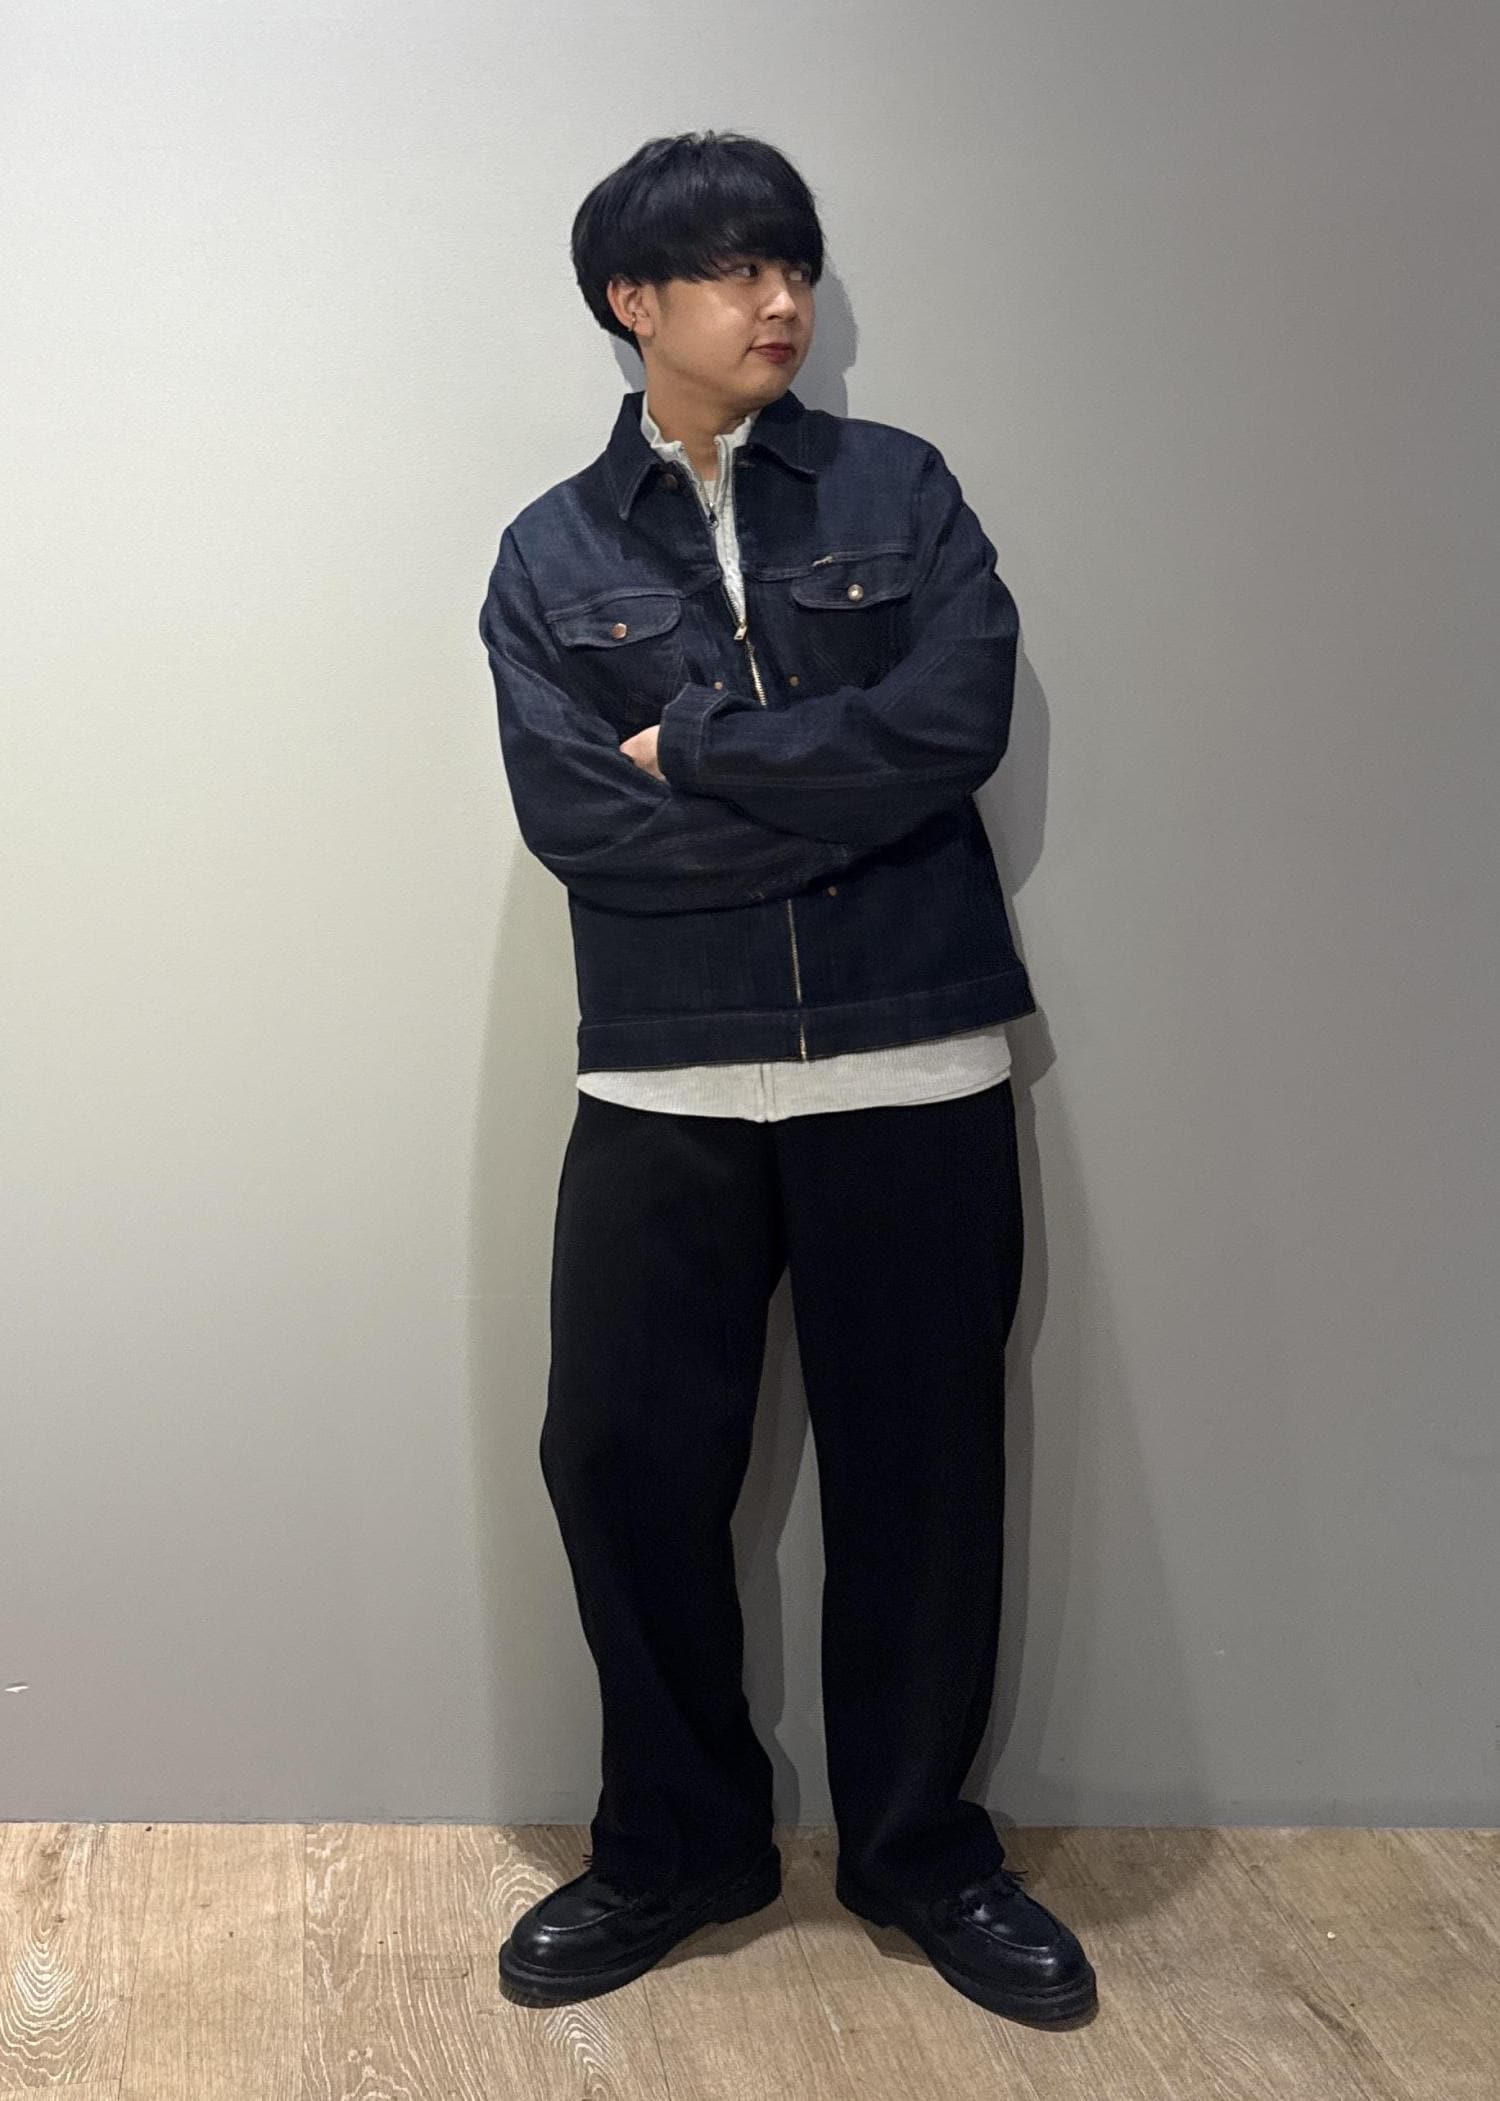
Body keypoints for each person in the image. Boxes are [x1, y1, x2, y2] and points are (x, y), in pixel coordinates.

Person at [478, 129, 1096, 2027]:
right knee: (618, 1464)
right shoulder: (550, 553)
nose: (781, 301)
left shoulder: (901, 491)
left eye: (797, 265)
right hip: (666, 1083)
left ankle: (923, 1850)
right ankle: (679, 1842)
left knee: (928, 1476)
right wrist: (845, 797)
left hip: (915, 1057)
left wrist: (706, 756)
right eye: (738, 268)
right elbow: (581, 824)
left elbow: (952, 724)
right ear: (631, 300)